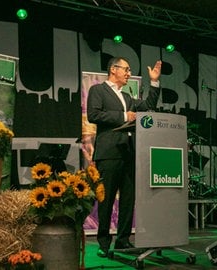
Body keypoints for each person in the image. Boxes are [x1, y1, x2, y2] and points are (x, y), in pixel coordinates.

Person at [87, 57, 162, 257]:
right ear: (113, 69)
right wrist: (123, 117)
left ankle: (123, 240)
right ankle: (103, 243)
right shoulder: (98, 90)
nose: (129, 73)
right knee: (107, 199)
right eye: (126, 69)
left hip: (128, 153)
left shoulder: (127, 96)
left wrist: (154, 82)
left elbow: (147, 105)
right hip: (109, 153)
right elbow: (93, 115)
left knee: (128, 199)